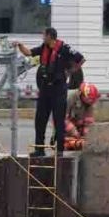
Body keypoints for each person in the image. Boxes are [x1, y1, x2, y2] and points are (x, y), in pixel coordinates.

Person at [13, 28, 85, 157]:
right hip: (45, 88)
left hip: (59, 89)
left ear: (50, 36)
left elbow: (81, 59)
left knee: (59, 121)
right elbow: (29, 53)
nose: (42, 37)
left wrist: (70, 71)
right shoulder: (43, 47)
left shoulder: (64, 48)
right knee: (40, 120)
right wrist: (20, 45)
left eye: (43, 35)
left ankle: (60, 151)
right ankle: (39, 149)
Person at [61, 82, 100, 150]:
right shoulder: (70, 98)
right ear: (83, 95)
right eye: (90, 99)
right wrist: (73, 131)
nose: (92, 102)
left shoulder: (89, 103)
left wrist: (87, 134)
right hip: (65, 128)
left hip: (77, 128)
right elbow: (62, 119)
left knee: (84, 143)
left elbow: (89, 121)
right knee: (66, 144)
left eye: (93, 99)